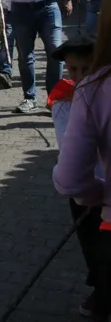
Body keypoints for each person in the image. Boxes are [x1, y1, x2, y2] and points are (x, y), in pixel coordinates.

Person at [52, 17, 110, 322]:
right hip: (87, 189)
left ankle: (102, 289)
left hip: (105, 188)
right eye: (72, 69)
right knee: (90, 243)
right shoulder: (62, 100)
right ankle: (100, 286)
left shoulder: (102, 92)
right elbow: (67, 147)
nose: (77, 76)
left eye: (84, 69)